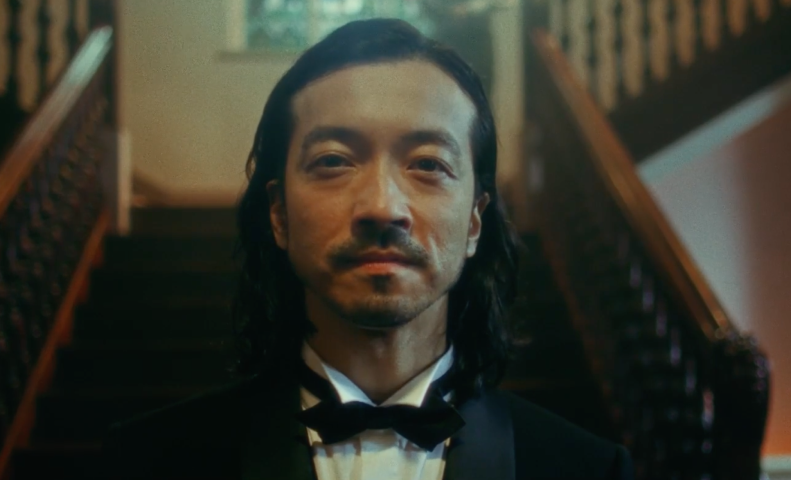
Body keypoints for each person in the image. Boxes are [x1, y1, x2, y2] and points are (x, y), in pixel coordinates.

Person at [101, 18, 633, 480]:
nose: (382, 207)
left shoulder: (589, 469)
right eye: (333, 161)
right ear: (279, 215)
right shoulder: (144, 462)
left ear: (475, 221)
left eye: (428, 164)